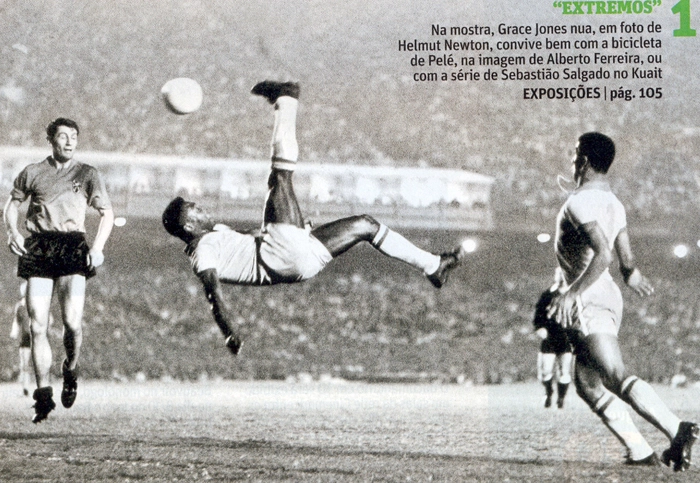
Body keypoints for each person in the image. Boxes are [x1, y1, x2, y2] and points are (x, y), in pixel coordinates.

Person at [162, 81, 464, 355]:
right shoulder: (202, 252)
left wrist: (295, 229)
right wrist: (229, 332)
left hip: (298, 262)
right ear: (188, 225)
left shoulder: (216, 236)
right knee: (279, 178)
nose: (201, 208)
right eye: (194, 209)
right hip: (279, 256)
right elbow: (213, 294)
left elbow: (246, 244)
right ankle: (286, 100)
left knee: (366, 225)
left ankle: (433, 265)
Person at [547, 132, 698, 470]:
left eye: (575, 154)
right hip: (607, 294)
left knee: (614, 375)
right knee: (587, 384)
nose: (572, 160)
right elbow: (625, 261)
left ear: (584, 161)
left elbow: (603, 255)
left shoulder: (578, 202)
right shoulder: (614, 203)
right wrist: (633, 277)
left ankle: (678, 430)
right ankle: (640, 451)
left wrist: (571, 293)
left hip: (589, 297)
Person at [4, 117, 114, 423]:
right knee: (37, 325)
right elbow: (11, 205)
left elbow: (107, 213)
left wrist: (97, 248)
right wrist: (13, 232)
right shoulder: (33, 172)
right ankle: (43, 394)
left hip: (71, 245)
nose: (69, 141)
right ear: (51, 139)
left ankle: (71, 367)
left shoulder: (87, 173)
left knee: (71, 323)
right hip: (39, 245)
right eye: (63, 136)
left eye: (74, 137)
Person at [533, 268, 573, 409]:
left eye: (564, 274)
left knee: (564, 371)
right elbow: (538, 314)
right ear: (555, 276)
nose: (561, 277)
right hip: (550, 336)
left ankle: (561, 399)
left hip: (566, 337)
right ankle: (549, 393)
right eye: (559, 274)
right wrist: (539, 327)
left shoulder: (572, 294)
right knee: (546, 371)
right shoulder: (548, 294)